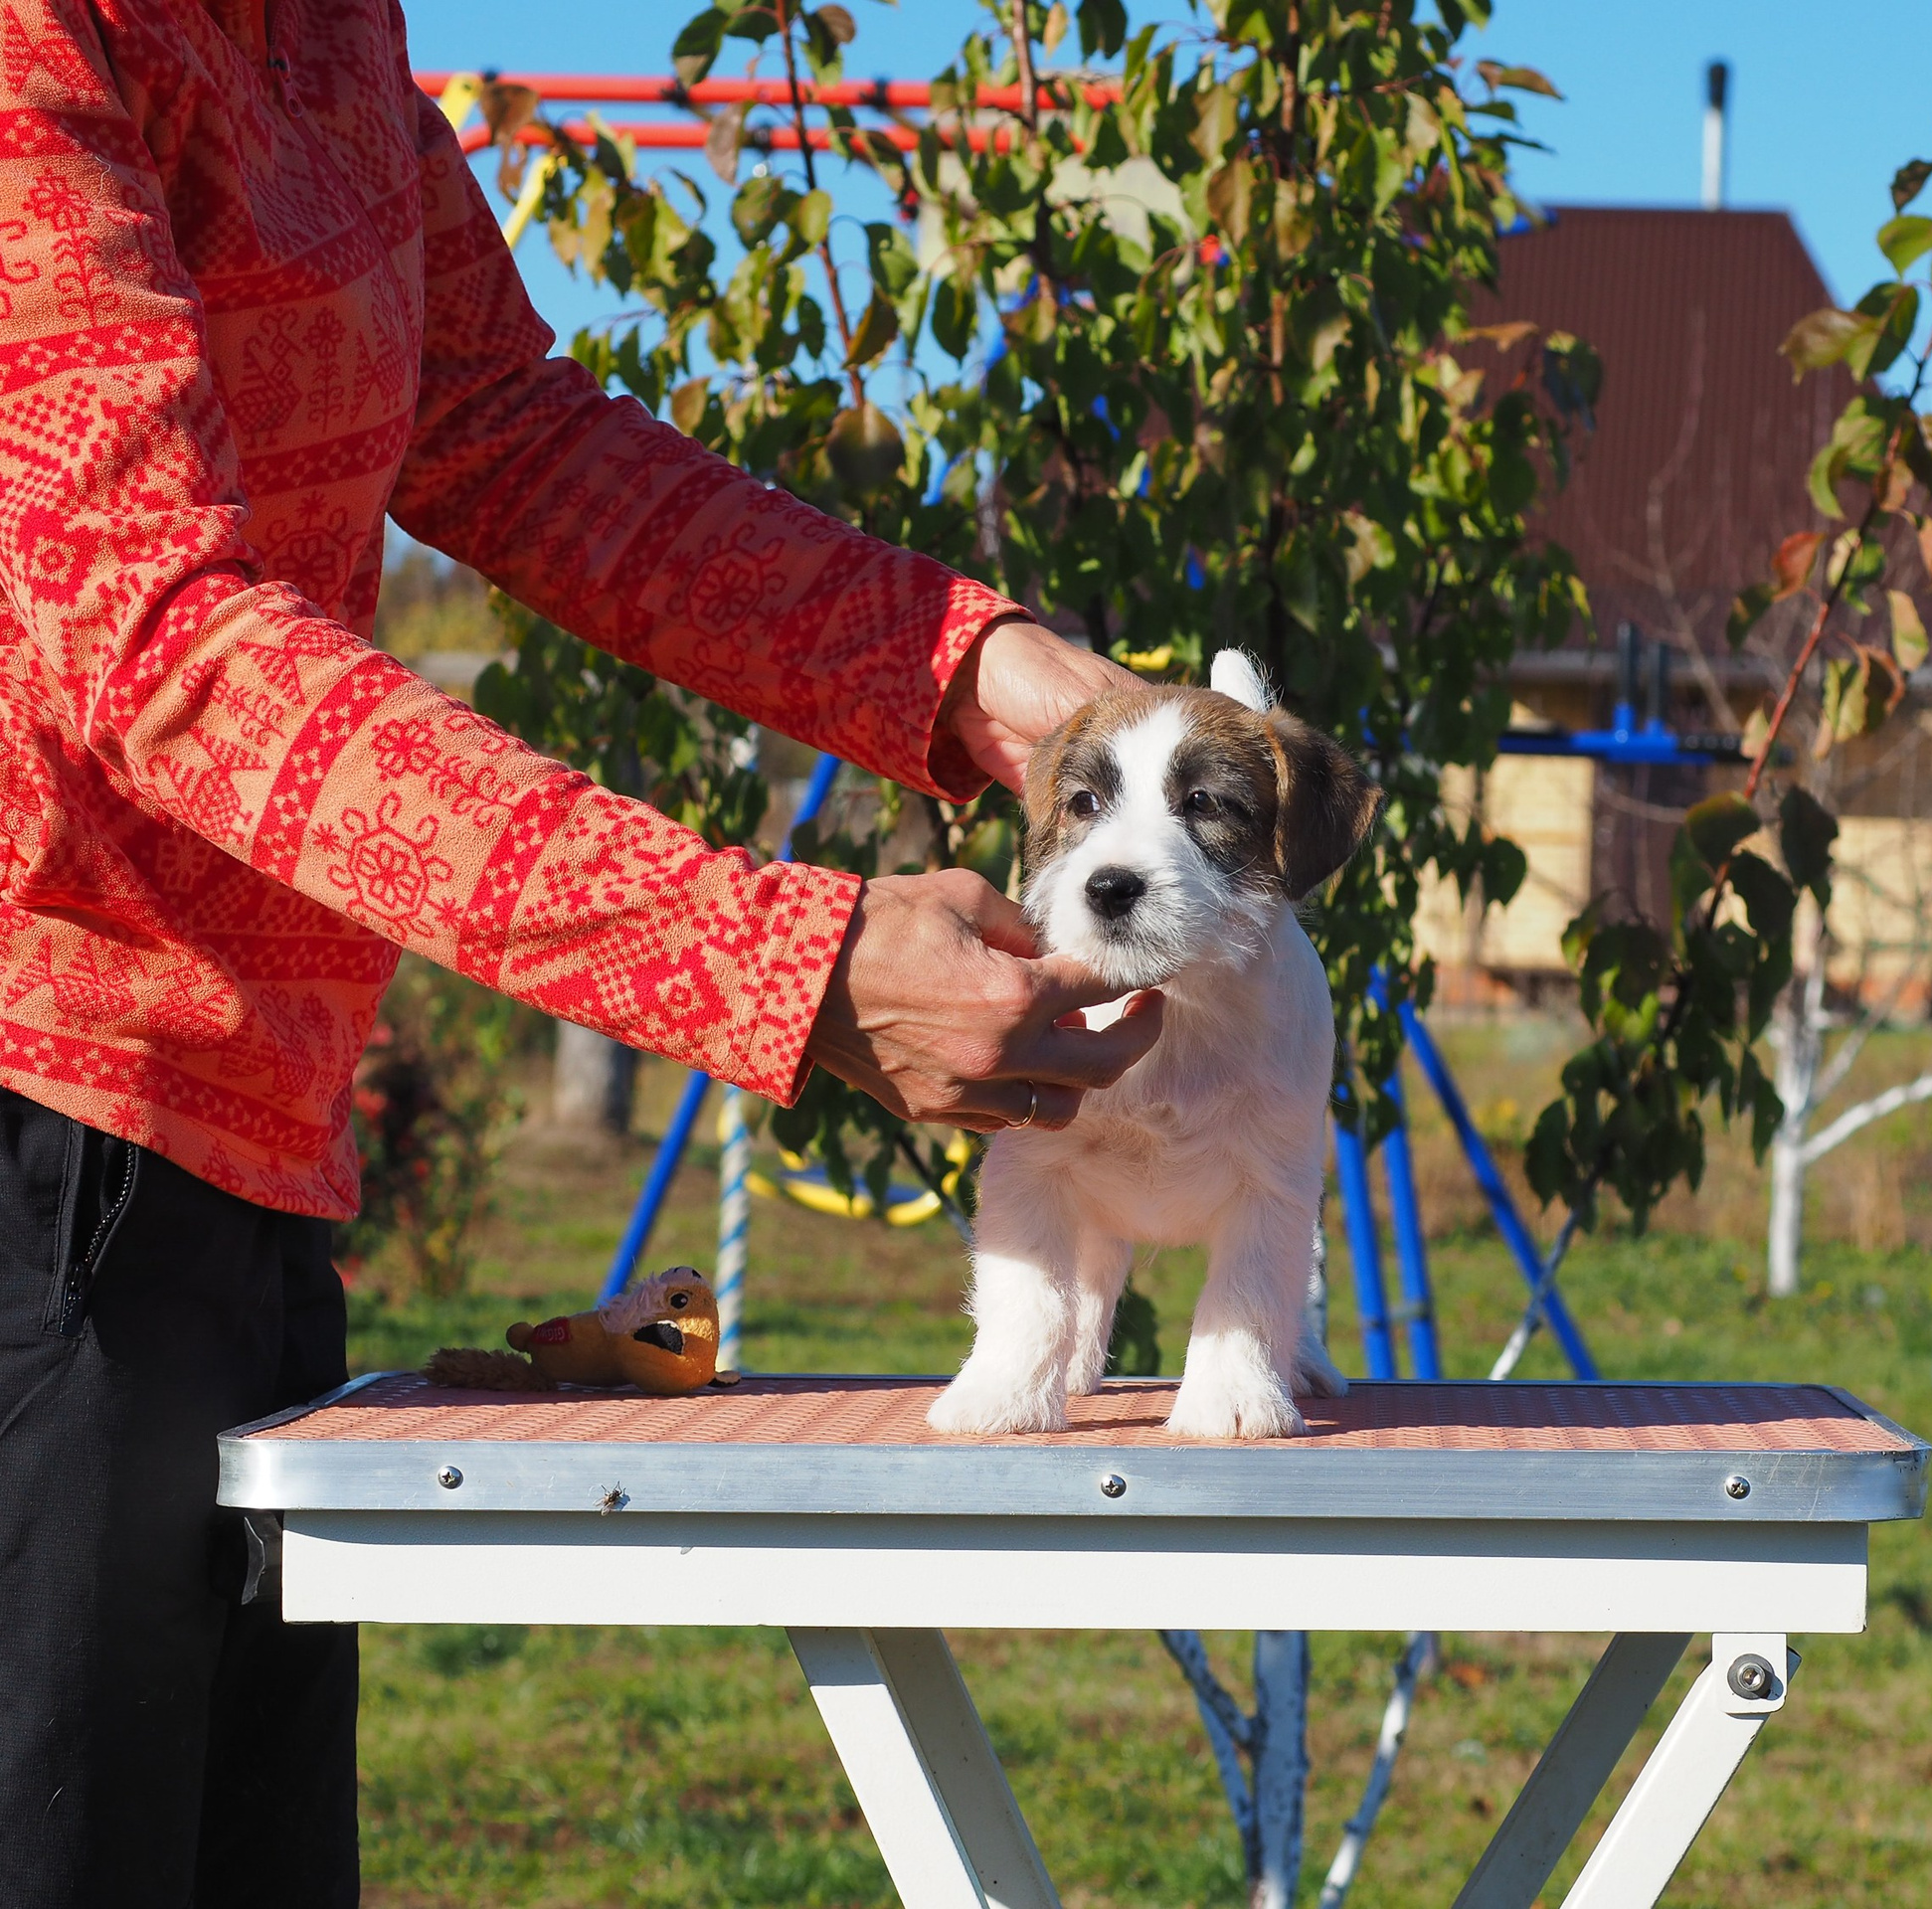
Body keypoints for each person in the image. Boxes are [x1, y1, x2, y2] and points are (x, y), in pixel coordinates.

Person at [0, 2, 1160, 1902]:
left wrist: (975, 675)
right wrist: (778, 965)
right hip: (37, 1124)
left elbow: (503, 429)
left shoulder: (328, 28)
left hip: (248, 1157)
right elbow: (161, 646)